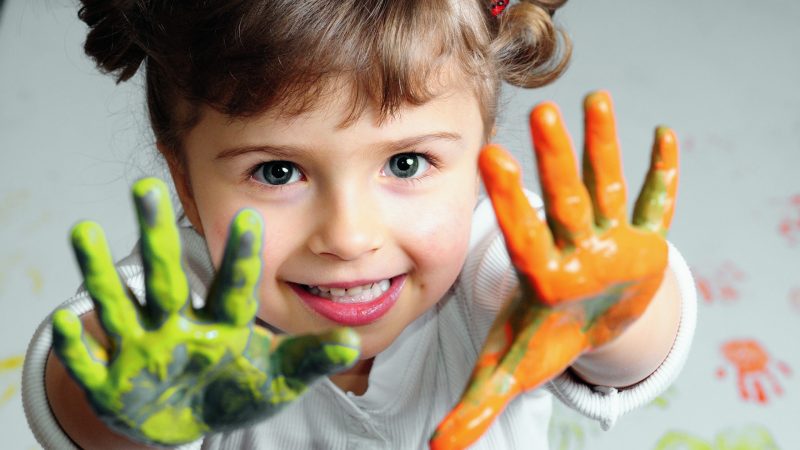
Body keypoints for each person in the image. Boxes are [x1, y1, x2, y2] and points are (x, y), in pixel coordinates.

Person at [21, 0, 697, 449]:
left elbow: (627, 349)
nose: (348, 237)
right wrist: (125, 402)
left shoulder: (506, 269)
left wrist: (622, 313)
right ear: (184, 183)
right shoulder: (191, 311)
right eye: (278, 172)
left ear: (482, 152)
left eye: (406, 163)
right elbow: (78, 382)